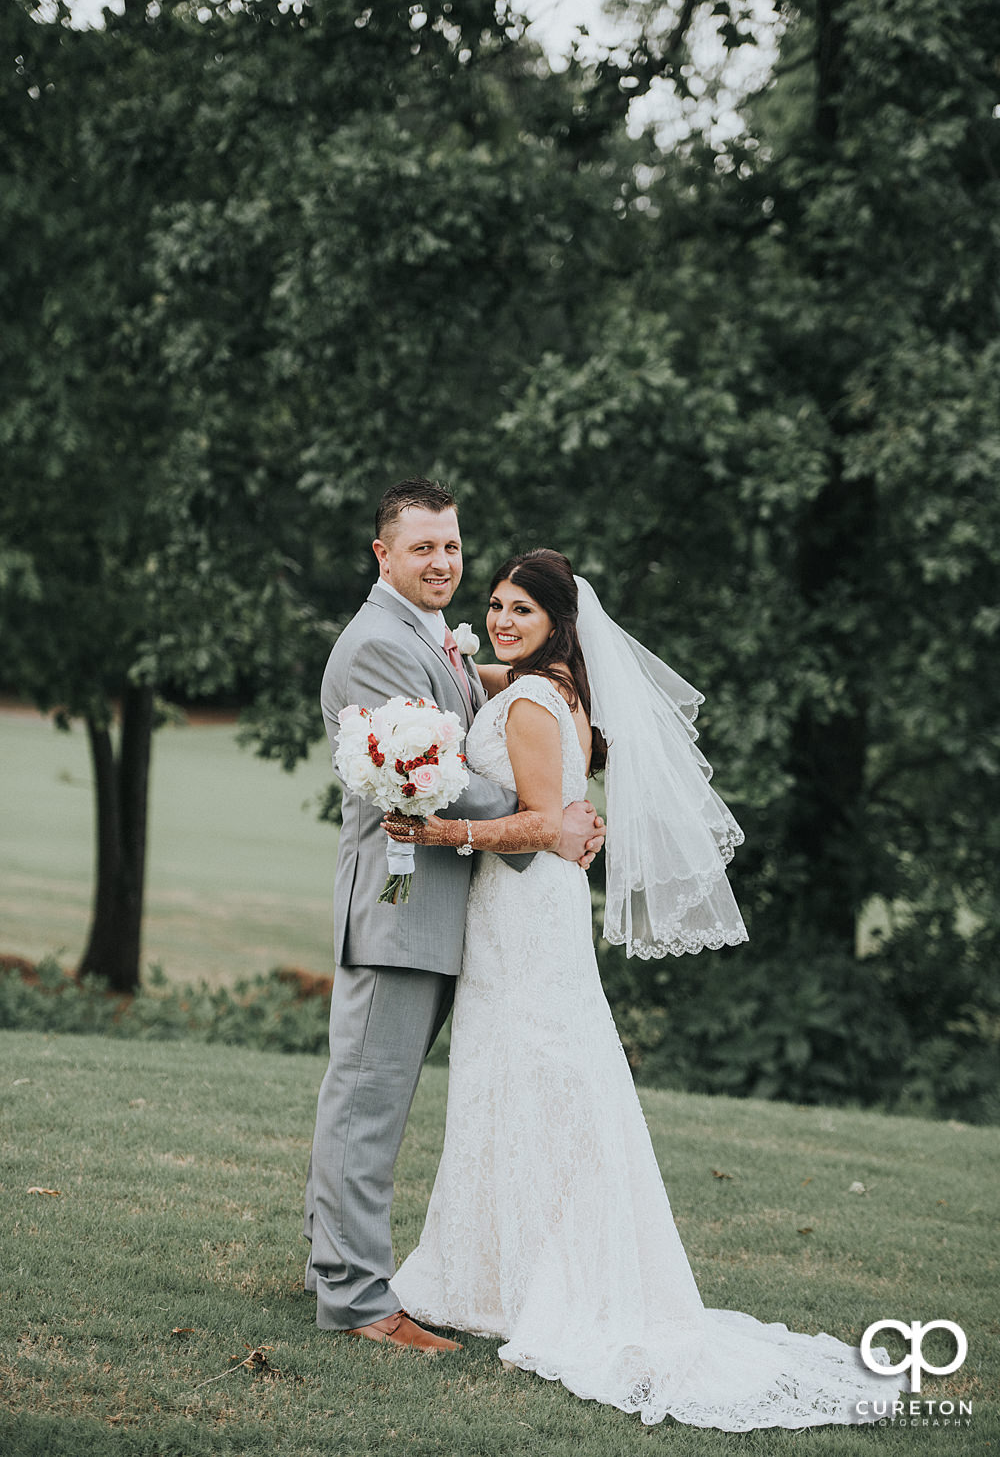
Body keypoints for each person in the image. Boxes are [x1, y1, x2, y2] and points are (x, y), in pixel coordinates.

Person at [384, 548, 901, 1429]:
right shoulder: (554, 688)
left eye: (522, 610)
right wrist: (477, 660)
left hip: (525, 912)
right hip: (518, 911)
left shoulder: (539, 702)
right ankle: (485, 1276)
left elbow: (547, 823)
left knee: (540, 1078)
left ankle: (541, 1287)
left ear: (558, 622)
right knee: (509, 1080)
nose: (503, 618)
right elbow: (556, 790)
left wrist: (437, 831)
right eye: (497, 604)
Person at [304, 485, 605, 1353]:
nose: (443, 563)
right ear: (382, 555)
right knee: (366, 1104)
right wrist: (546, 821)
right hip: (397, 909)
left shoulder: (432, 637)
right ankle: (359, 1301)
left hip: (444, 911)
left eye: (452, 547)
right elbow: (437, 772)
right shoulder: (375, 645)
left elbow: (504, 711)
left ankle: (340, 1265)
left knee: (376, 1103)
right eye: (423, 548)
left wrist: (564, 802)